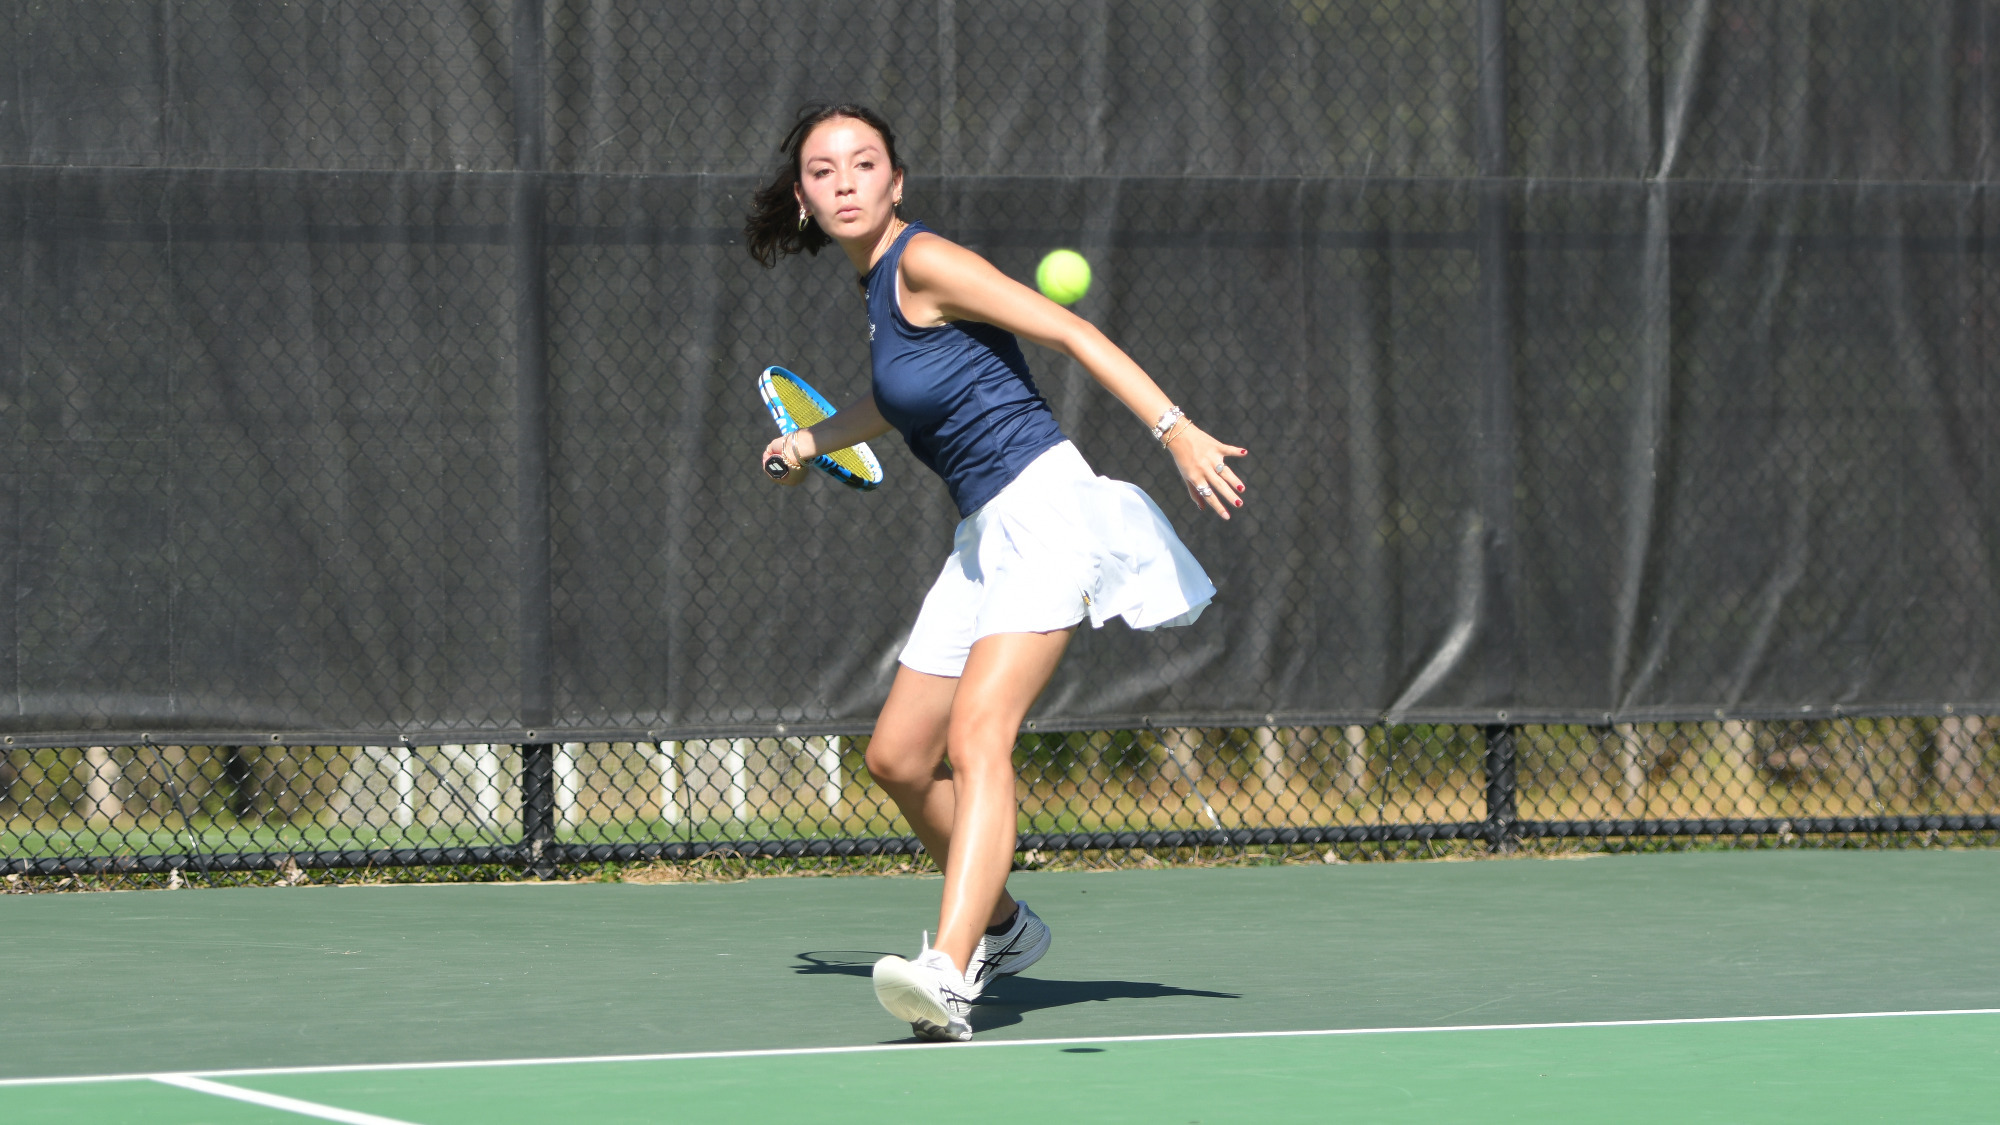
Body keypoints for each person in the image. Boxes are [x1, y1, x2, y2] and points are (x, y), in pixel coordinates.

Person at [744, 103, 1246, 1042]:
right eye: (824, 171)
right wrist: (813, 438)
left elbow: (1069, 332)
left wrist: (1177, 434)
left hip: (1047, 512)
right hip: (984, 535)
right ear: (805, 199)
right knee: (896, 756)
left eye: (865, 164)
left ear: (898, 183)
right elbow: (901, 400)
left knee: (981, 735)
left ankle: (951, 964)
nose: (845, 181)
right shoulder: (877, 287)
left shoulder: (927, 262)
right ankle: (1007, 925)